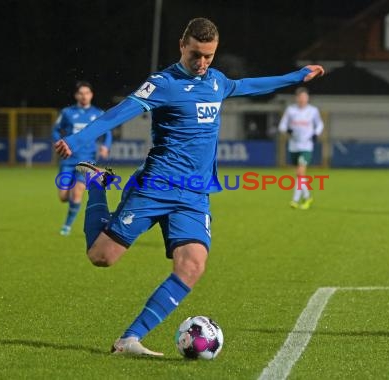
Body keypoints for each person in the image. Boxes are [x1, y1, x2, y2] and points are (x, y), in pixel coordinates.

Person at [55, 18, 324, 356]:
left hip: (194, 193)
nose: (202, 63)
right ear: (183, 45)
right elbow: (120, 112)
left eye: (209, 56)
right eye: (196, 54)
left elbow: (251, 85)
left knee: (193, 265)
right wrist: (79, 138)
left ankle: (128, 340)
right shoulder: (163, 83)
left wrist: (296, 77)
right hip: (156, 185)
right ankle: (96, 182)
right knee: (102, 257)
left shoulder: (217, 82)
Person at [51, 81, 112, 236]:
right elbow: (56, 130)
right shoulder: (67, 113)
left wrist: (105, 146)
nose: (84, 96)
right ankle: (70, 208)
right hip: (68, 160)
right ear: (76, 95)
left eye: (87, 93)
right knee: (63, 197)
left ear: (91, 95)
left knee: (77, 193)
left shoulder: (98, 113)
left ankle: (67, 226)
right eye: (81, 93)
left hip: (87, 161)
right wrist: (59, 141)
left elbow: (108, 132)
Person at [278, 87, 324, 210]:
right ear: (296, 98)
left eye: (304, 96)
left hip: (306, 146)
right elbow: (282, 125)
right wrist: (287, 130)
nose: (302, 99)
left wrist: (316, 133)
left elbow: (319, 124)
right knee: (299, 174)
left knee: (300, 172)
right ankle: (308, 196)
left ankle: (295, 200)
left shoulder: (313, 111)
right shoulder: (291, 110)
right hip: (293, 146)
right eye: (300, 97)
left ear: (308, 98)